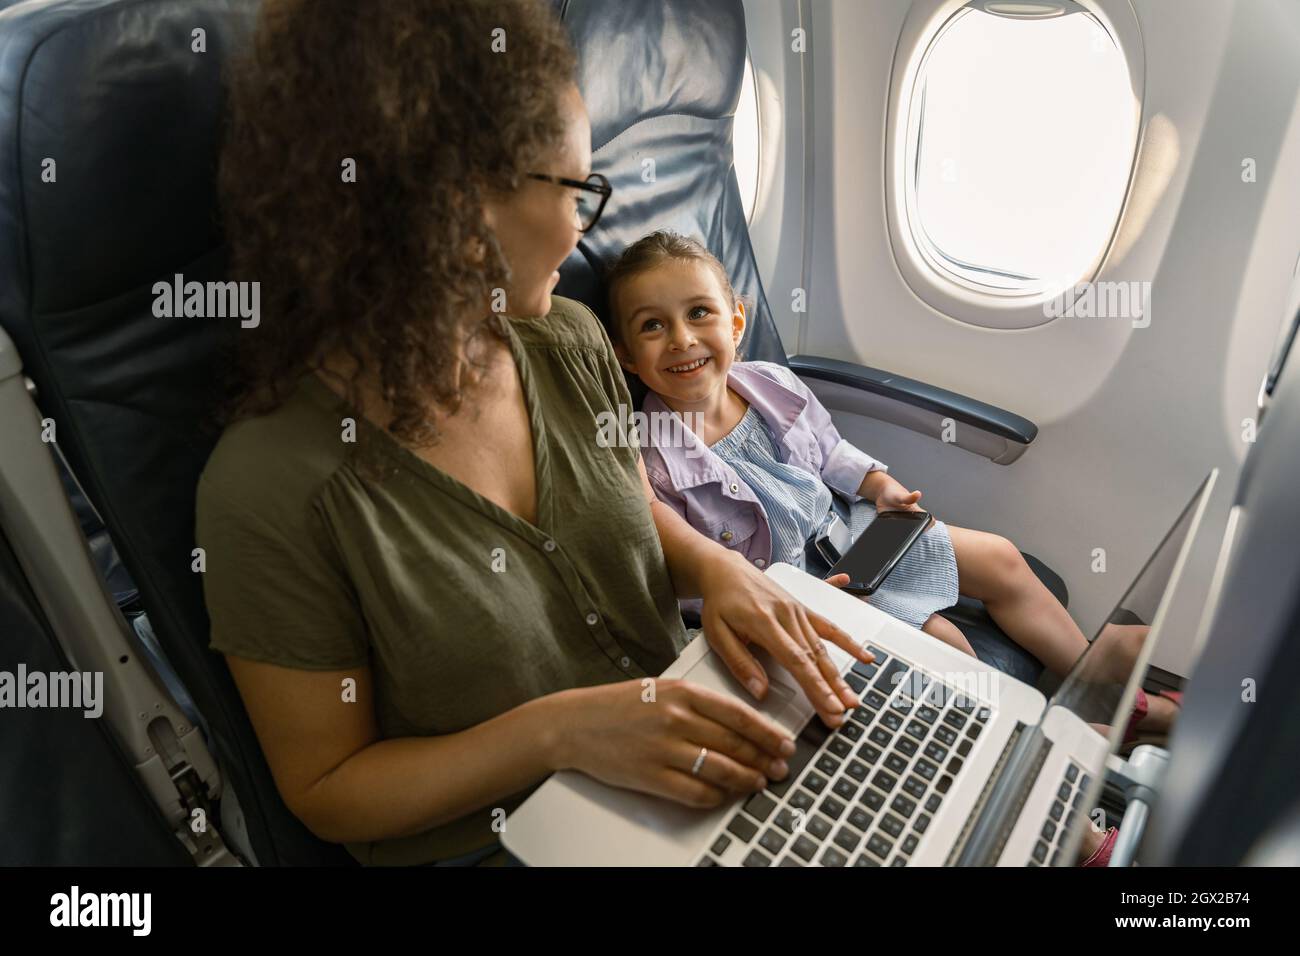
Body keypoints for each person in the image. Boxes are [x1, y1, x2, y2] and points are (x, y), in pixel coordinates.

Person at [198, 0, 873, 867]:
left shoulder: (570, 341)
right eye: (576, 189)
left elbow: (632, 518)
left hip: (679, 748)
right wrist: (561, 734)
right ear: (449, 210)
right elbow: (329, 787)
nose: (588, 225)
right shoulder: (271, 487)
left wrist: (723, 570)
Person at [605, 231, 1178, 865]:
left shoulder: (770, 384)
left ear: (736, 320)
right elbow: (685, 577)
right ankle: (1055, 798)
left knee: (1001, 559)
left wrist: (880, 487)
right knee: (950, 651)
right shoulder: (650, 455)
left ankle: (1099, 693)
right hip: (804, 592)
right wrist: (782, 597)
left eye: (699, 313)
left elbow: (832, 454)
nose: (682, 339)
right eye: (653, 327)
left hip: (853, 534)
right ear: (629, 356)